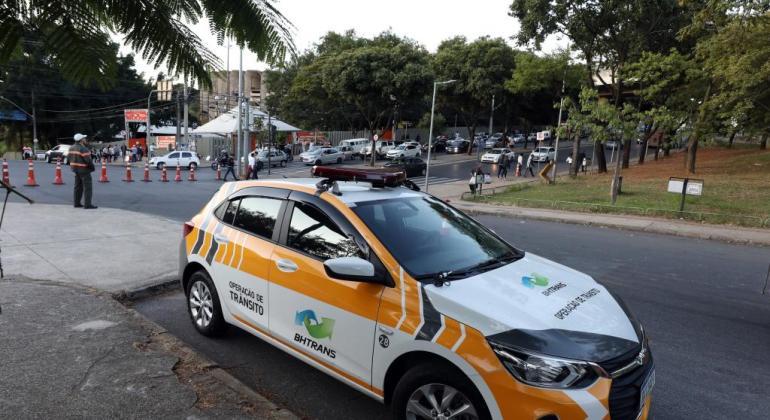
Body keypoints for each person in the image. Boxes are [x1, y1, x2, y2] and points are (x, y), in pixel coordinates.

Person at [68, 133, 97, 209]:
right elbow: (88, 161)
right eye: (84, 138)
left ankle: (76, 203)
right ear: (81, 140)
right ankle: (88, 204)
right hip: (84, 170)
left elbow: (69, 159)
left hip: (75, 170)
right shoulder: (83, 149)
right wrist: (92, 168)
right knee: (87, 188)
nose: (85, 139)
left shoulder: (71, 148)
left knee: (77, 187)